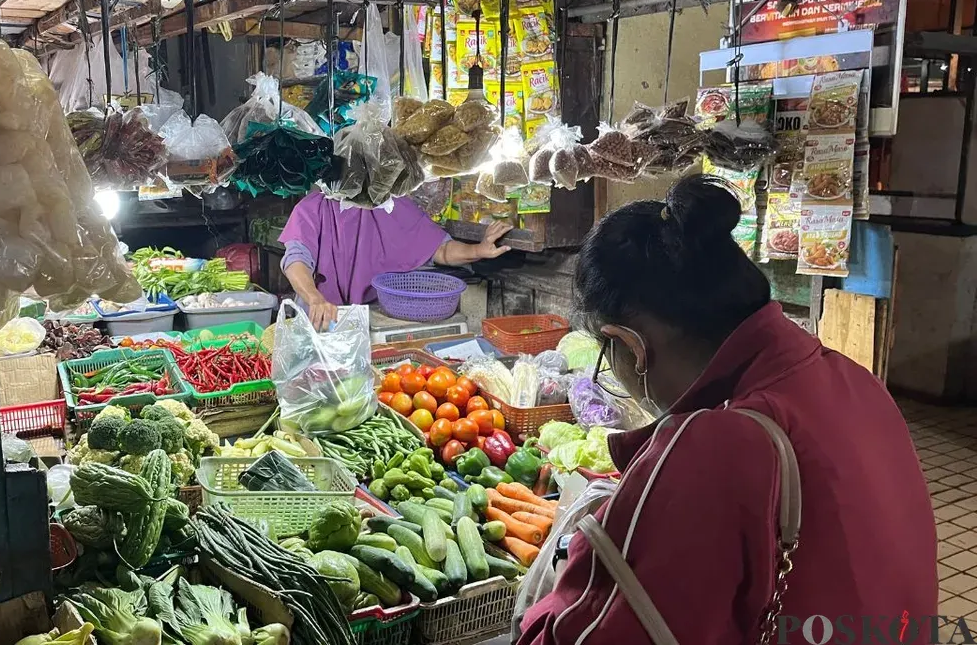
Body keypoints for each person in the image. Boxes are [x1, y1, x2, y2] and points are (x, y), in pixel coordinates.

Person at [518, 175, 935, 645]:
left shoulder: (716, 444)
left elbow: (593, 634)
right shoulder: (852, 379)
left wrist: (577, 559)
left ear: (631, 346)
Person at [279, 190, 513, 329]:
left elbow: (439, 249)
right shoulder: (312, 208)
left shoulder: (392, 206)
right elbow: (295, 261)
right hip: (320, 321)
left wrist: (478, 250)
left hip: (372, 318)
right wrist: (315, 299)